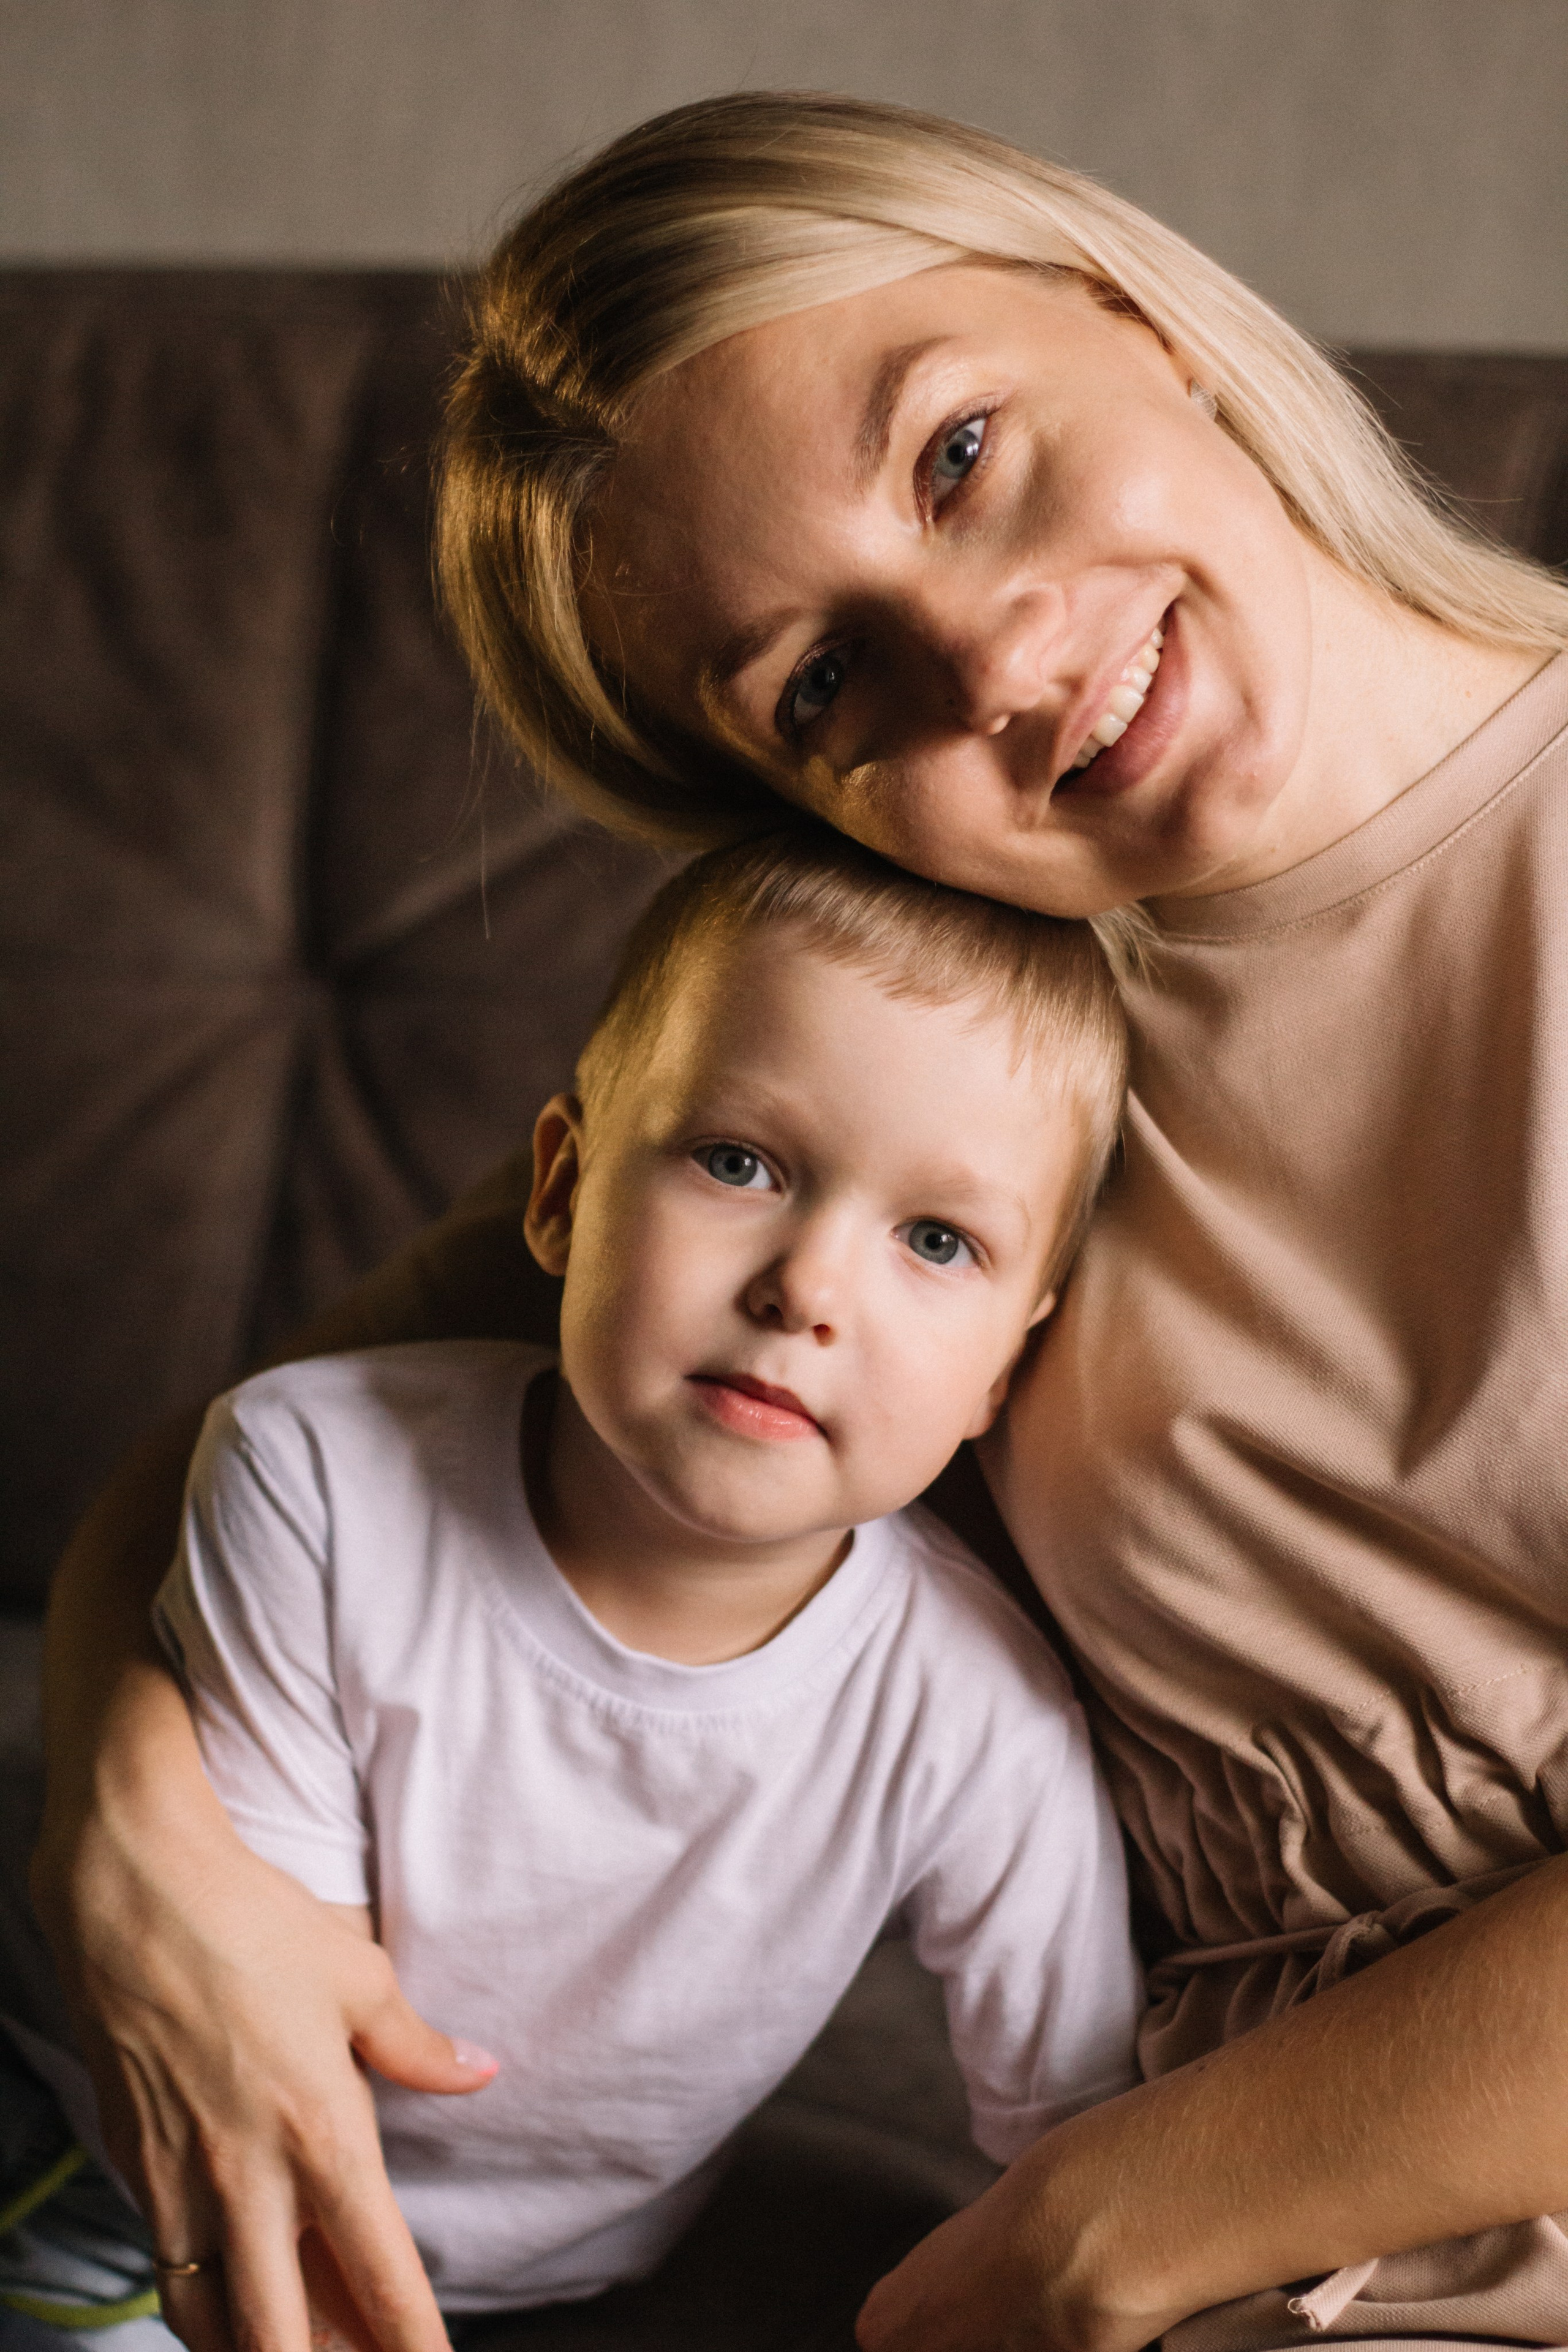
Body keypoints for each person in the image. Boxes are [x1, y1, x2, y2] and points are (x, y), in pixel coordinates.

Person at [27, 85, 1568, 2352]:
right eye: (830, 685)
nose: (1001, 665)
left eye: (960, 453)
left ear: (1129, 313)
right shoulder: (966, 1009)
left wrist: (1090, 2234)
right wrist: (140, 1846)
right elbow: (292, 1449)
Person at [8, 829, 1140, 2346]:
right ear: (561, 1186)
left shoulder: (979, 1715)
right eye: (737, 1163)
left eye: (935, 1240)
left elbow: (1076, 2141)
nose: (807, 1288)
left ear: (1008, 1362)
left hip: (542, 2277)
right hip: (114, 2152)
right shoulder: (314, 1477)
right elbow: (268, 2058)